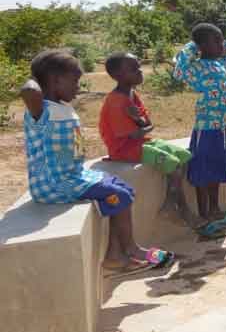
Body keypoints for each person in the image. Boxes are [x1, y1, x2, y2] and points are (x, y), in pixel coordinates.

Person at [20, 50, 173, 274]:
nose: (78, 87)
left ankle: (114, 256)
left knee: (123, 189)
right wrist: (38, 76)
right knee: (117, 195)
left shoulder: (62, 106)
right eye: (75, 81)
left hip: (73, 175)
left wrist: (48, 77)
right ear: (54, 80)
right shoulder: (41, 111)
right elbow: (28, 90)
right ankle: (132, 248)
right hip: (54, 184)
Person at [99, 52, 193, 223]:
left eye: (139, 67)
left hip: (139, 143)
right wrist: (141, 124)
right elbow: (134, 132)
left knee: (184, 156)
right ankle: (176, 206)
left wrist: (138, 121)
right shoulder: (116, 101)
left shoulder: (132, 95)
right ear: (118, 76)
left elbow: (148, 126)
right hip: (123, 150)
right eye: (134, 69)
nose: (140, 71)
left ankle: (174, 205)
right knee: (173, 164)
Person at [172, 23, 226, 224]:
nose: (221, 44)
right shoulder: (196, 67)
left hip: (221, 127)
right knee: (202, 172)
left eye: (222, 39)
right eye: (216, 41)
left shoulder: (224, 63)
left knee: (217, 169)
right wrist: (194, 45)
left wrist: (220, 44)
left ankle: (215, 208)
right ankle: (204, 213)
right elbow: (178, 72)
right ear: (202, 46)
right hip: (205, 129)